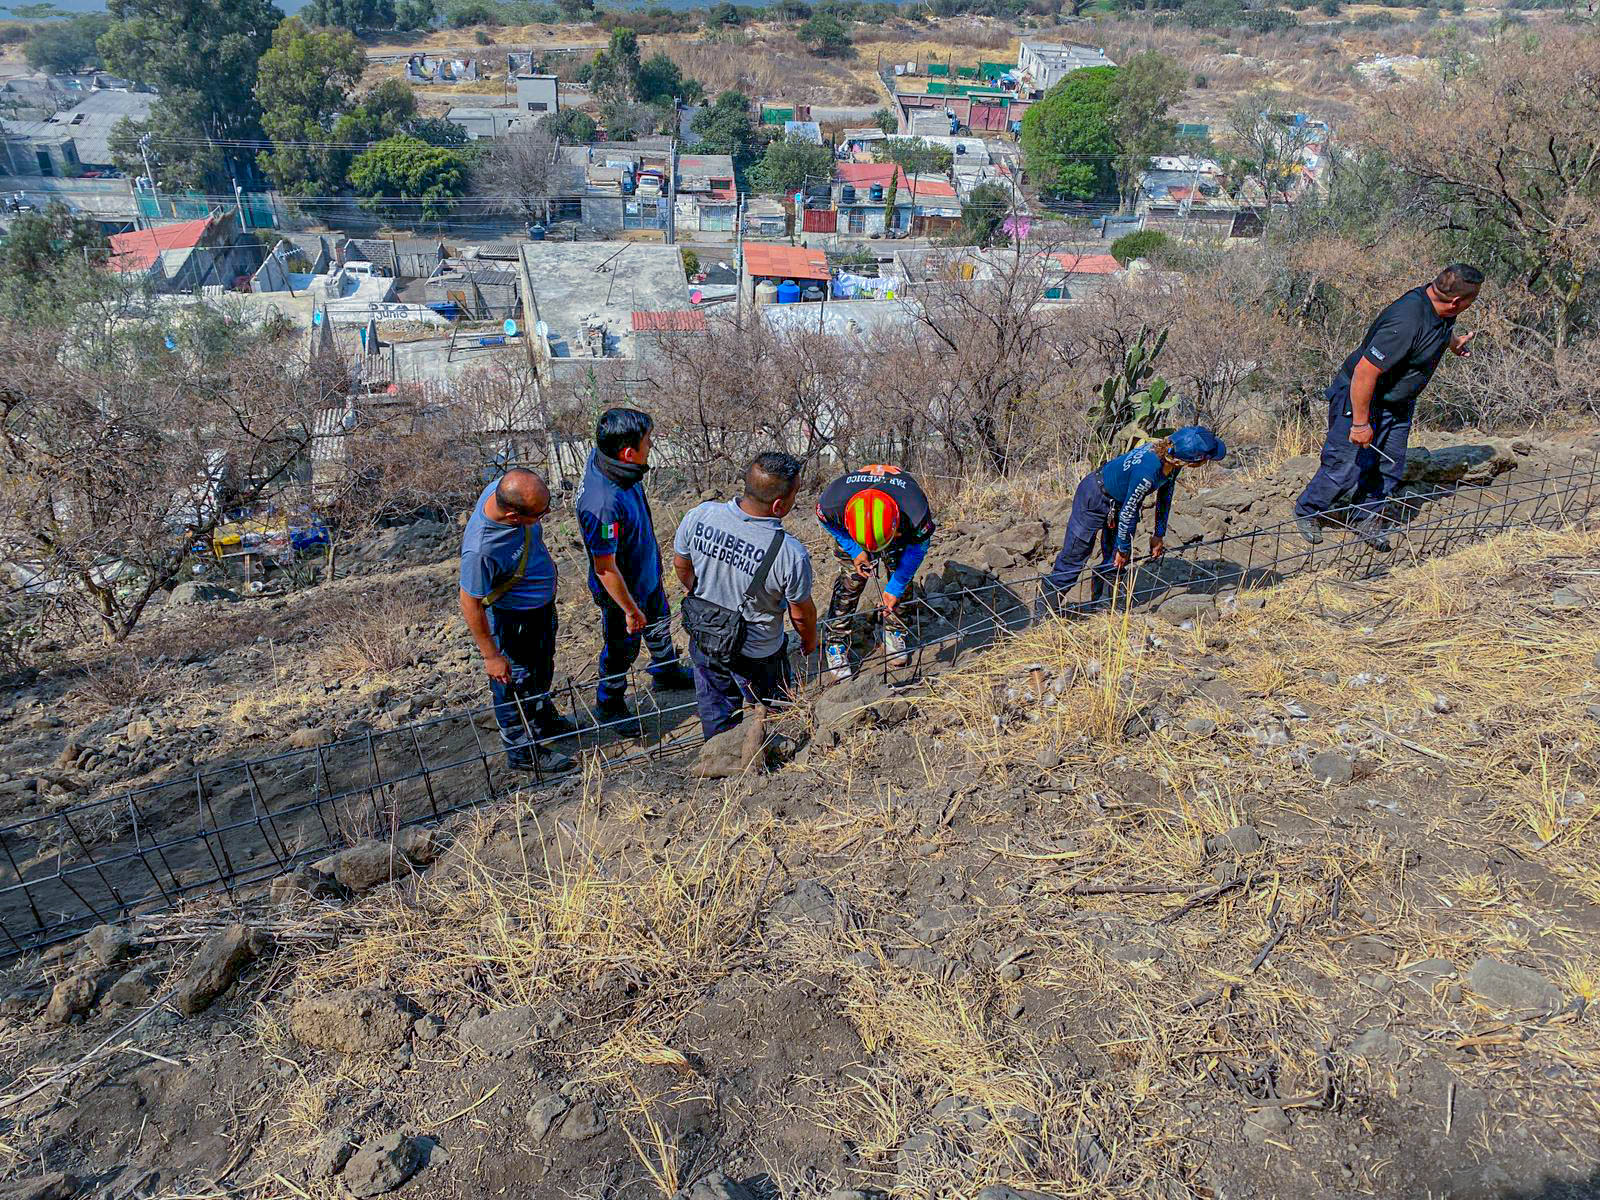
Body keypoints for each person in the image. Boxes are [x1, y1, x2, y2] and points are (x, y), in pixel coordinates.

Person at [1295, 265, 1483, 551]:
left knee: (1390, 465)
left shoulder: (1442, 306)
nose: (1472, 304)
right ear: (1457, 301)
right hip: (1360, 396)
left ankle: (1365, 519)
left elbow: (1439, 329)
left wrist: (1454, 343)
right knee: (1344, 465)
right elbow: (1364, 373)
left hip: (1397, 403)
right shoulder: (1406, 320)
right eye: (1473, 299)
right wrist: (1360, 424)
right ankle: (1308, 511)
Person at [672, 452, 819, 740]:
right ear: (779, 505)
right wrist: (809, 639)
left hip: (706, 638)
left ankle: (720, 754)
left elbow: (681, 565)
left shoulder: (699, 515)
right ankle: (775, 750)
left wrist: (706, 597)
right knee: (774, 708)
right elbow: (800, 614)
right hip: (759, 653)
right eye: (795, 495)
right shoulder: (790, 554)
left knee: (715, 707)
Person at [574, 408, 694, 736]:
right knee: (622, 647)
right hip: (622, 593)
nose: (652, 445)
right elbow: (605, 567)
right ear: (629, 453)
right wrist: (628, 608)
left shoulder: (615, 464)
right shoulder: (602, 504)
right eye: (647, 441)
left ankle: (666, 671)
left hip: (644, 574)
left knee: (659, 620)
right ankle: (609, 702)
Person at [457, 467, 576, 773]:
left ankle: (543, 720)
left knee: (541, 669)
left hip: (540, 611)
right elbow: (469, 602)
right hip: (513, 620)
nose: (546, 516)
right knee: (514, 685)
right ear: (513, 517)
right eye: (540, 513)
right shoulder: (481, 550)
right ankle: (523, 752)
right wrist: (491, 655)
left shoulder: (505, 487)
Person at [1043, 427, 1227, 609]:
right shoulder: (1147, 473)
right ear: (1194, 461)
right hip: (1093, 496)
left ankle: (1104, 604)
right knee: (1076, 555)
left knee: (1114, 558)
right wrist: (1124, 549)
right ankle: (1044, 611)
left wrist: (1158, 534)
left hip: (1119, 501)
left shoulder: (1172, 459)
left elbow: (1165, 495)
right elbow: (1128, 513)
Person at [815, 463, 936, 680]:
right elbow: (827, 522)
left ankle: (894, 630)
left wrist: (895, 587)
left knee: (900, 580)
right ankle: (835, 643)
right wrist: (854, 550)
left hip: (897, 528)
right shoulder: (832, 502)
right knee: (851, 581)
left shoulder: (916, 511)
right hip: (855, 537)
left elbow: (918, 548)